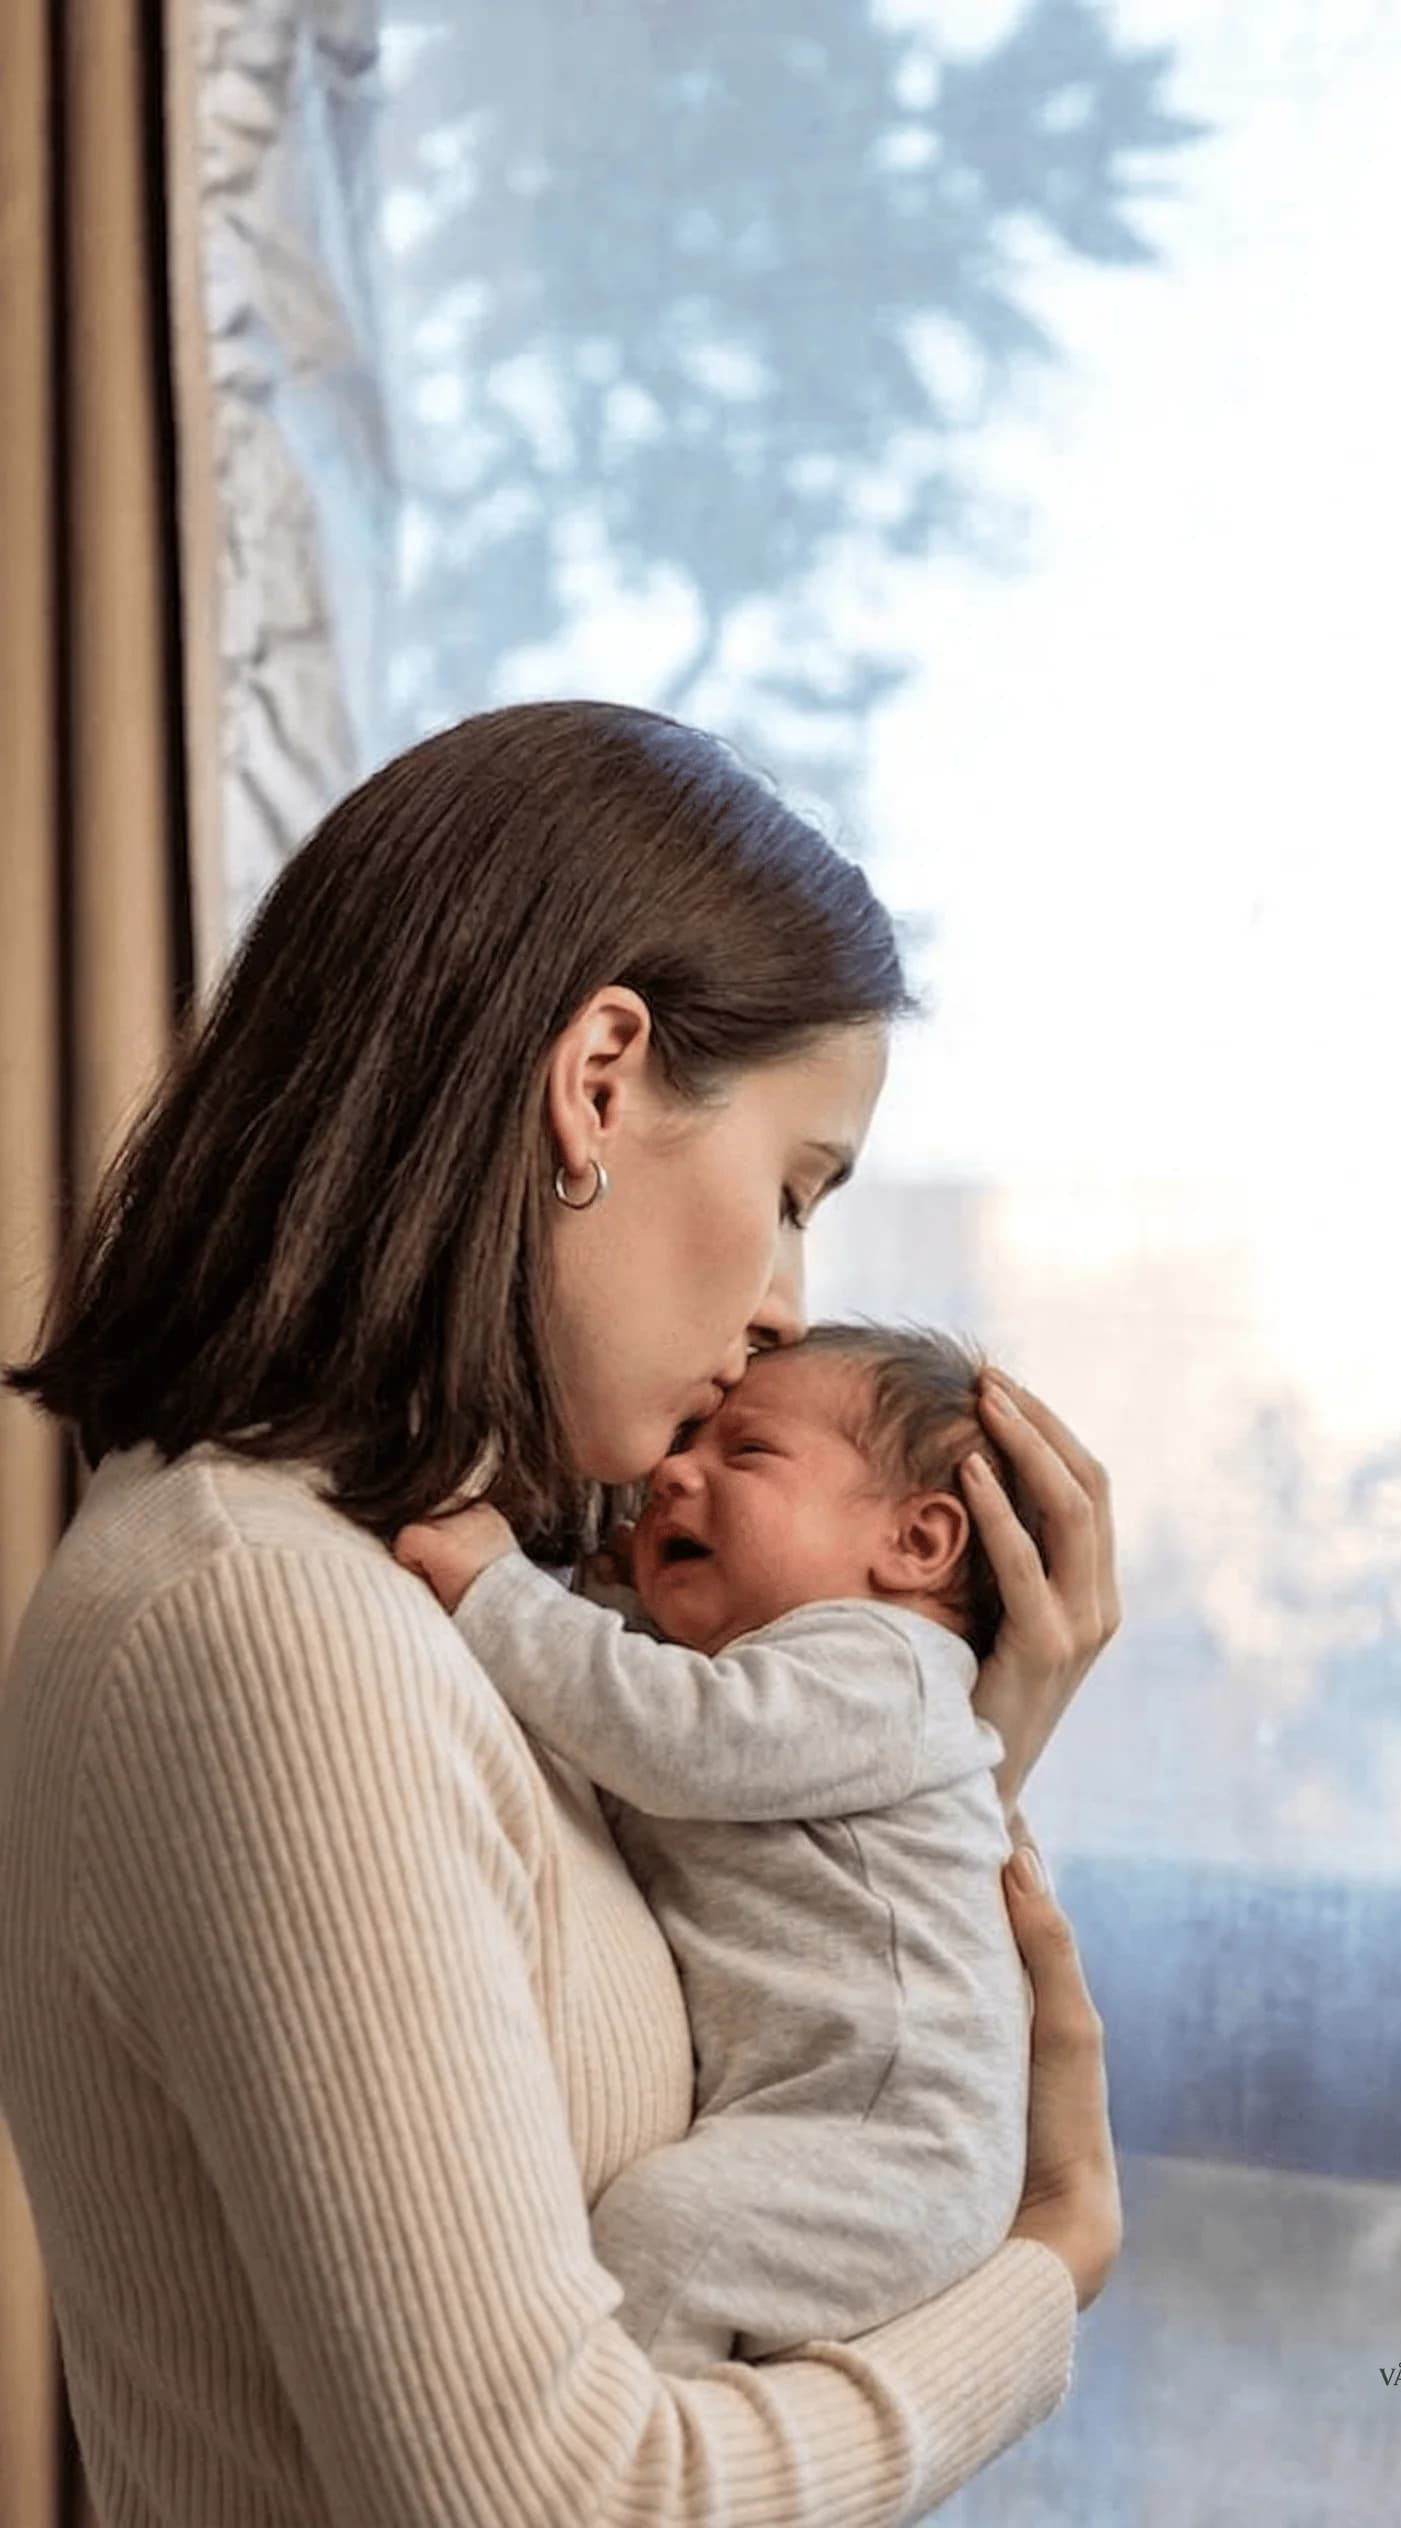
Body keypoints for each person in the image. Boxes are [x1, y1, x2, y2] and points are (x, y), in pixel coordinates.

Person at [0, 699, 1123, 2528]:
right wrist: (1046, 2265)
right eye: (788, 1190)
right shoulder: (271, 1632)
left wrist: (954, 1746)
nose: (783, 1306)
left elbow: (730, 1997)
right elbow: (556, 2499)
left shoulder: (429, 1594)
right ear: (597, 1078)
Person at [395, 1320, 1049, 2373]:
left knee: (672, 2230)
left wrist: (496, 1584)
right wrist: (608, 1590)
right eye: (684, 1443)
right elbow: (647, 1706)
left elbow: (677, 1735)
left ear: (918, 1543)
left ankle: (603, 2461)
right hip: (830, 2132)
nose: (670, 1473)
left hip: (891, 2148)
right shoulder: (776, 1673)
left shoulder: (890, 1667)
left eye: (744, 1452)